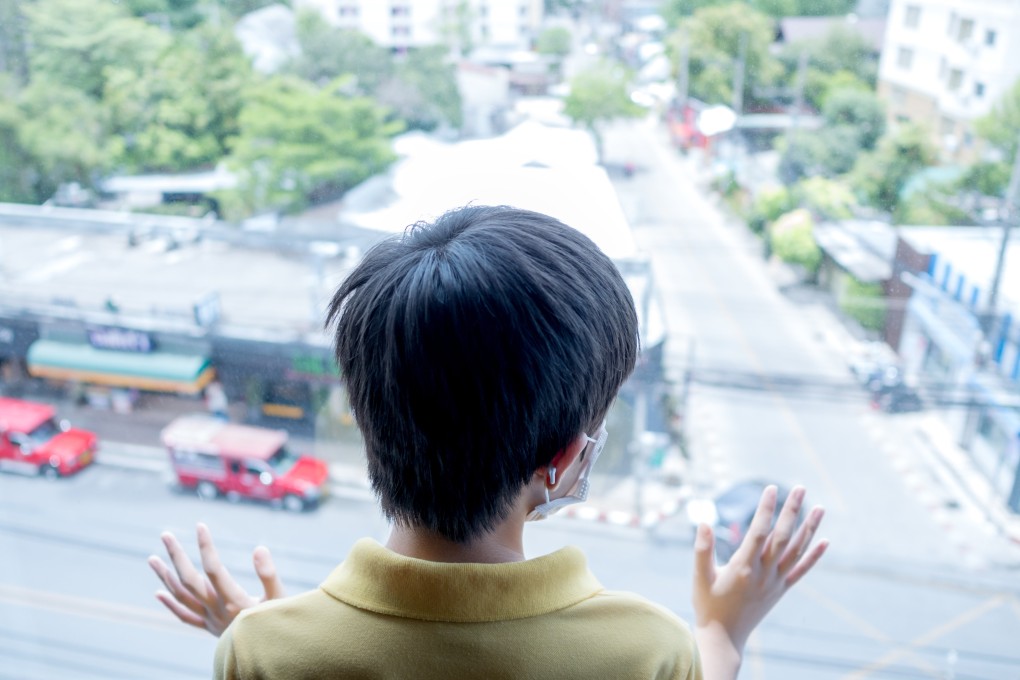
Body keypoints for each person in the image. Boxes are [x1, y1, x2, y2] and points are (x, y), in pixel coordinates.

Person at [149, 205, 827, 679]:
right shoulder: (646, 651)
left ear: (367, 420)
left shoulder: (260, 651)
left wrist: (276, 637)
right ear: (565, 462)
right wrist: (720, 631)